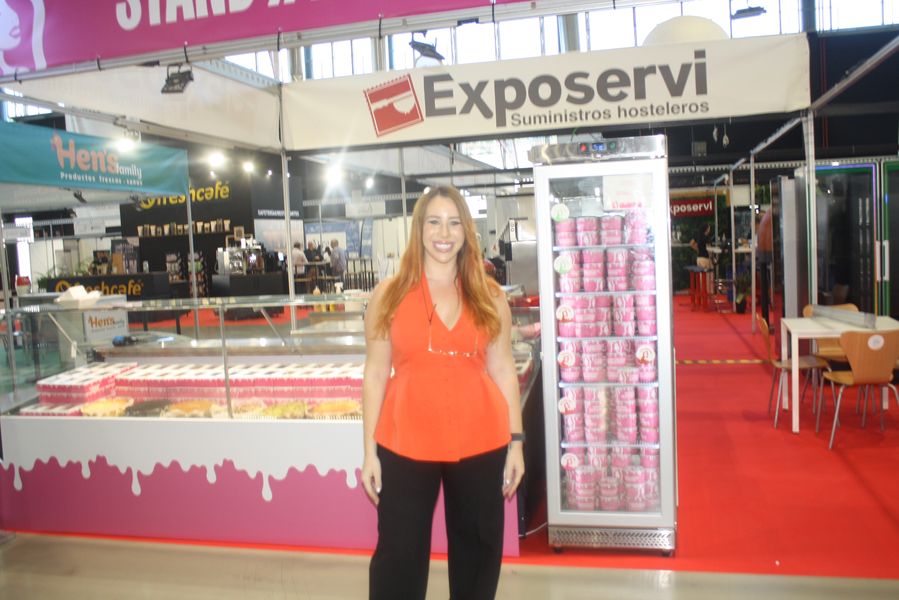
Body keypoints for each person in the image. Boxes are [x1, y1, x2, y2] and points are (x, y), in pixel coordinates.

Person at [361, 185, 524, 600]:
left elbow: (503, 369)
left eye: (454, 223)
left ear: (467, 231)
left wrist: (517, 443)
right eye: (434, 221)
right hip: (405, 440)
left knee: (478, 552)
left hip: (480, 440)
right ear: (419, 229)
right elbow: (375, 373)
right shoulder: (388, 295)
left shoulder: (490, 296)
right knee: (398, 553)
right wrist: (369, 452)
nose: (444, 233)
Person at [757, 207, 774, 323]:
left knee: (765, 281)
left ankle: (765, 320)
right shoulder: (770, 216)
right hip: (769, 255)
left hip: (763, 255)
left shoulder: (766, 219)